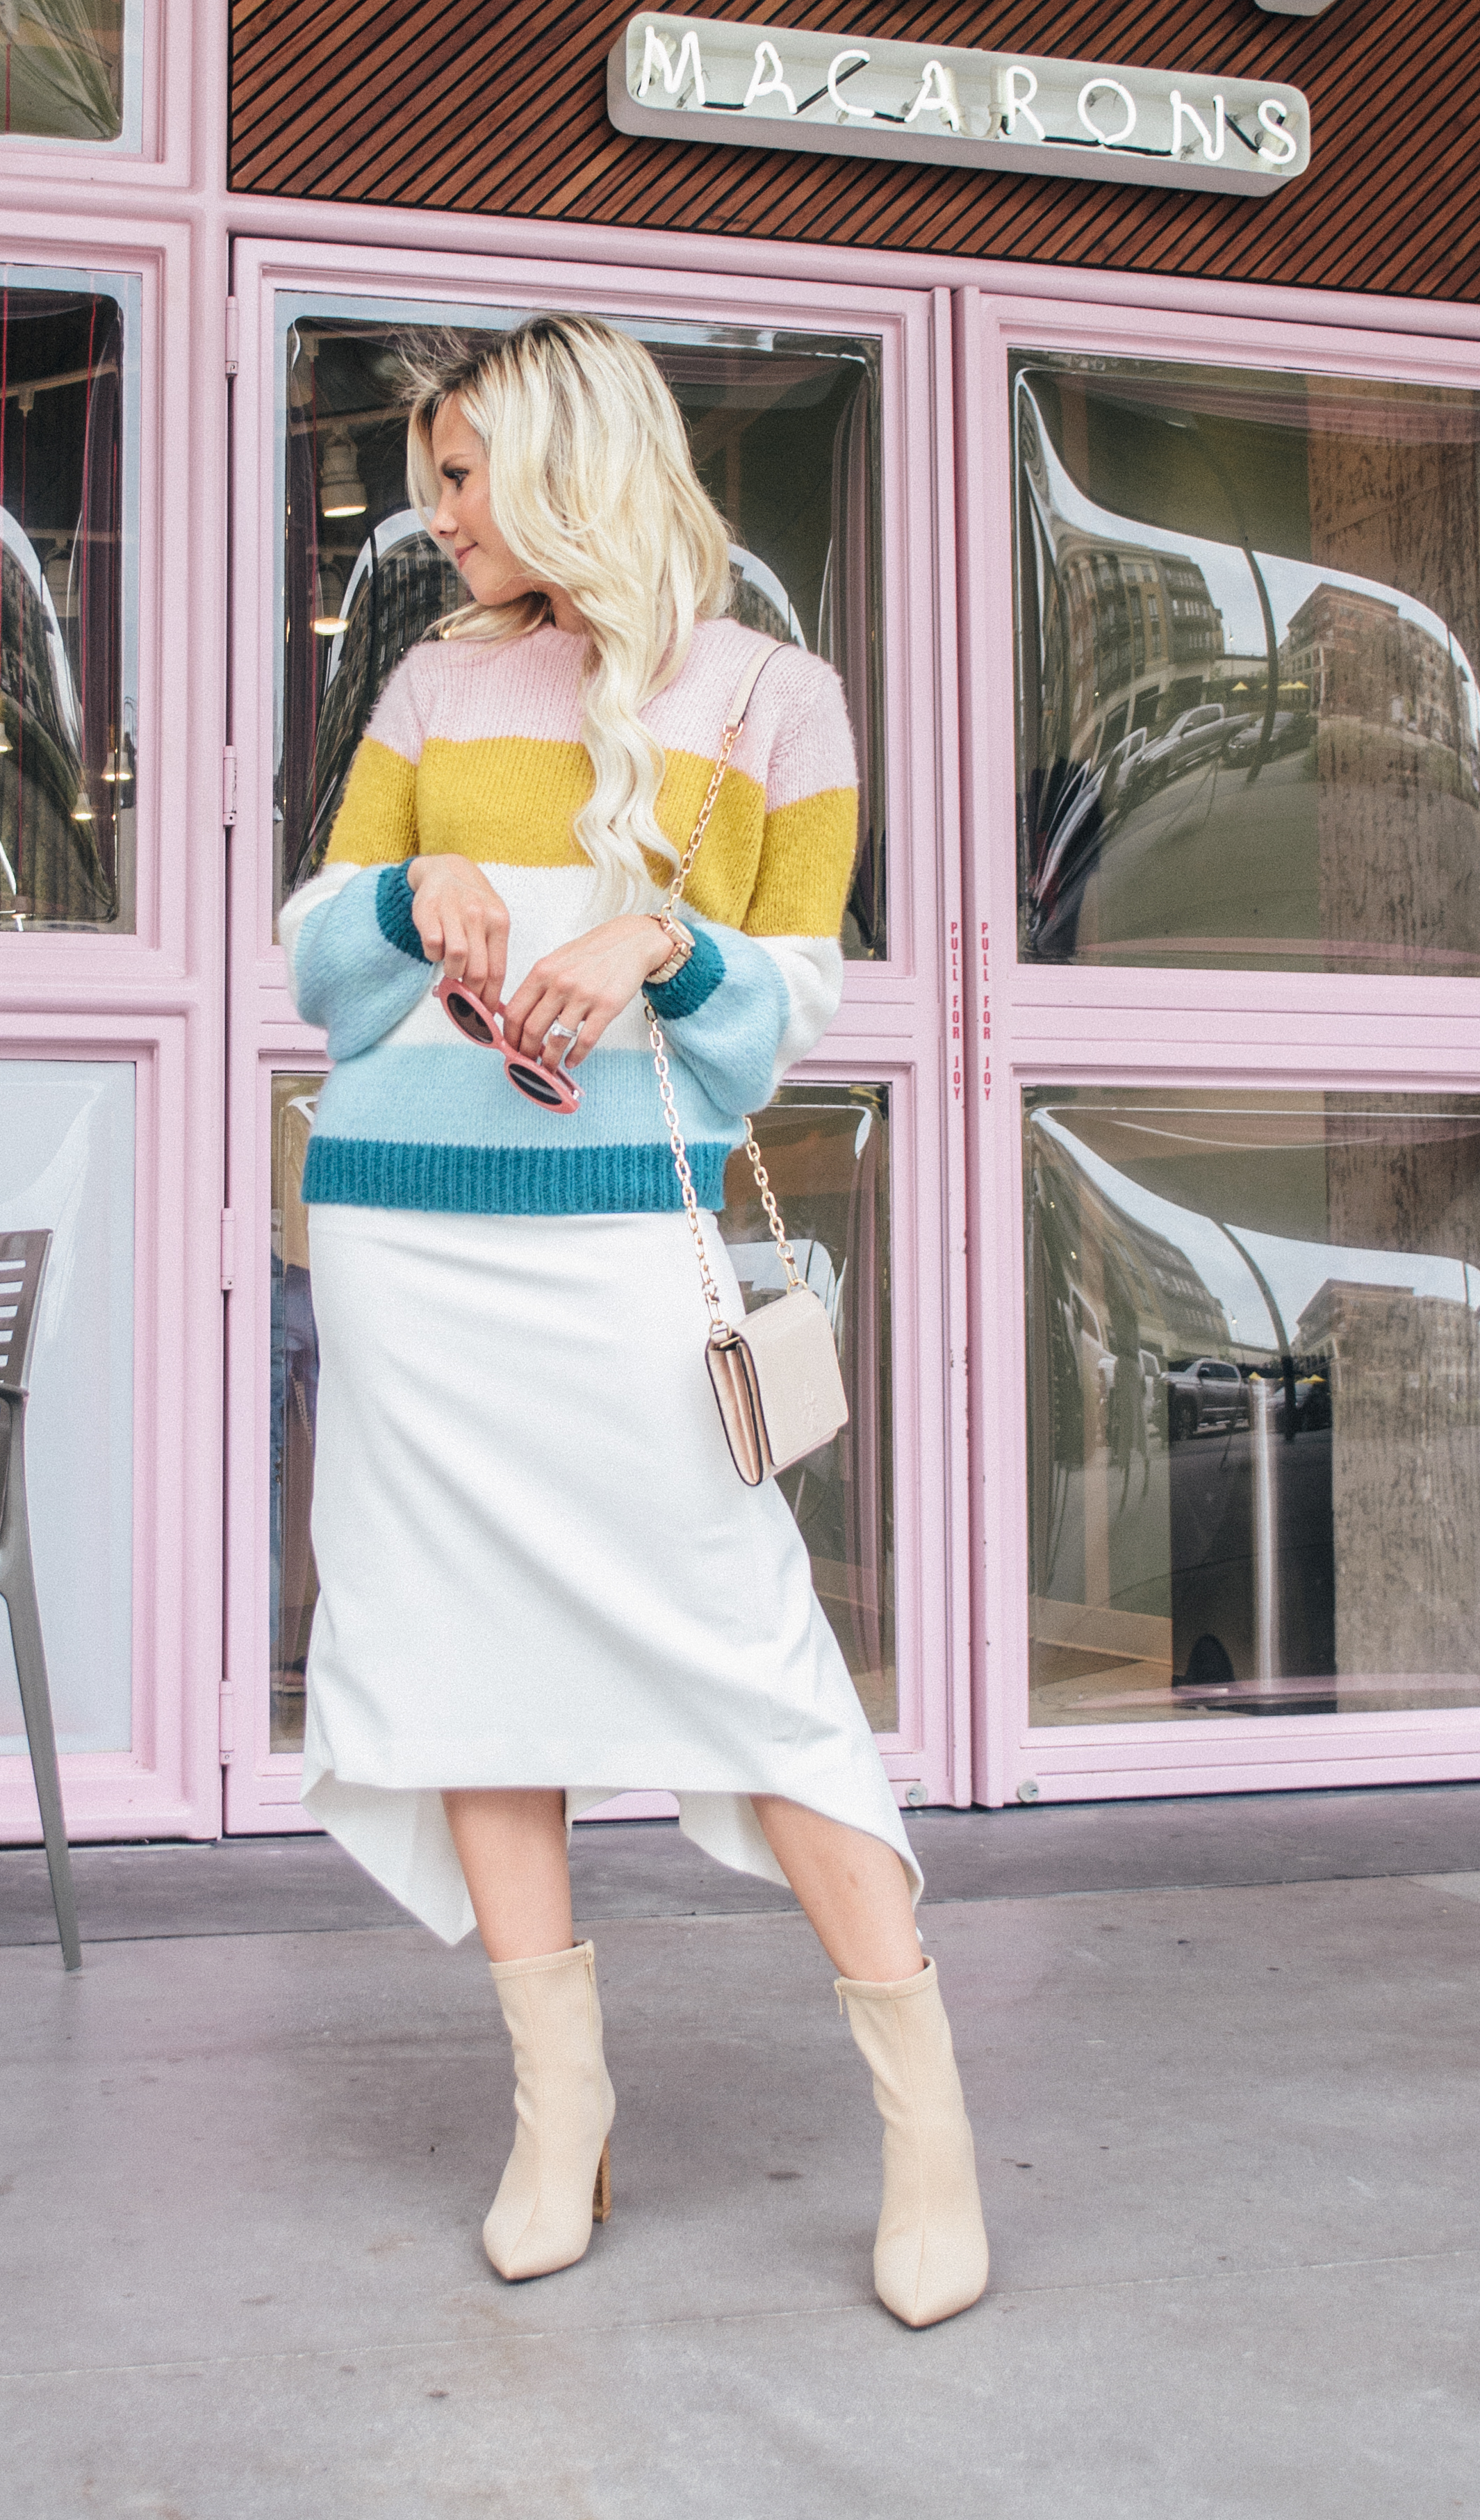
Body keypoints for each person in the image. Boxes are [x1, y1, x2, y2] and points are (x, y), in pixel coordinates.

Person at [279, 314, 988, 2328]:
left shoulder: (777, 694)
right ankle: (556, 2107)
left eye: (462, 474)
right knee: (462, 1654)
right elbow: (316, 938)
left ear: (573, 463)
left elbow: (795, 996)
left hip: (618, 1247)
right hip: (410, 1230)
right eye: (428, 477)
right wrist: (413, 910)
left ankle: (926, 2123)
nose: (436, 516)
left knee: (753, 1656)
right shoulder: (426, 677)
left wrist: (658, 937)